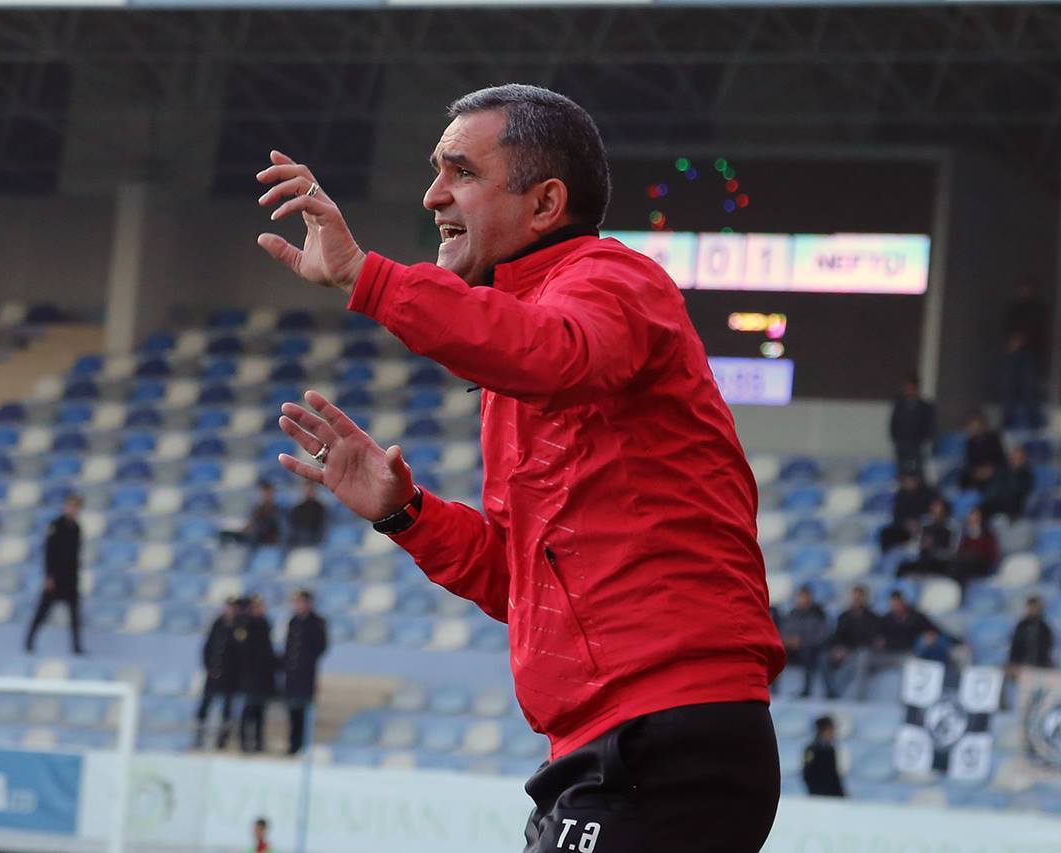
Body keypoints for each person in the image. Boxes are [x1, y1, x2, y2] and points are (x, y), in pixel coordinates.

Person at [258, 83, 784, 851]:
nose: (434, 195)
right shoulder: (517, 360)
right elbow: (522, 581)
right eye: (437, 171)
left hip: (663, 734)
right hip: (607, 743)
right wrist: (405, 512)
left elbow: (558, 353)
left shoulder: (613, 281)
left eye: (462, 172)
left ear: (545, 204)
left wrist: (368, 277)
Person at [25, 493, 85, 655]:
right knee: (42, 611)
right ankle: (29, 641)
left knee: (75, 615)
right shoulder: (55, 525)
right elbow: (49, 552)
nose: (72, 509)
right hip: (56, 577)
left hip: (70, 579)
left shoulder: (77, 528)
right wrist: (49, 576)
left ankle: (76, 646)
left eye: (75, 506)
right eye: (70, 505)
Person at [194, 598, 244, 750]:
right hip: (213, 675)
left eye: (233, 607)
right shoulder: (217, 624)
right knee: (204, 708)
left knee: (227, 710)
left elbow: (240, 654)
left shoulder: (241, 626)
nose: (230, 610)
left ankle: (222, 741)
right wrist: (209, 667)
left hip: (230, 677)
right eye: (228, 607)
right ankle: (199, 738)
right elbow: (208, 647)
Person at [282, 589, 328, 754]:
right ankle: (292, 744)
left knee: (304, 710)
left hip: (306, 674)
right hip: (292, 674)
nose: (299, 605)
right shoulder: (293, 621)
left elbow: (321, 646)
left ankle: (302, 745)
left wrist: (307, 661)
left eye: (302, 602)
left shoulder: (317, 622)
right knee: (292, 710)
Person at [824, 585, 880, 700]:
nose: (856, 599)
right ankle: (830, 690)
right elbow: (837, 636)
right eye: (855, 596)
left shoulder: (872, 618)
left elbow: (871, 640)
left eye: (860, 597)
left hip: (862, 651)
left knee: (860, 656)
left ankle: (858, 696)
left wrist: (848, 650)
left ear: (865, 599)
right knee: (823, 658)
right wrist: (838, 648)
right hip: (845, 650)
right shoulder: (843, 616)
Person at [239, 595, 277, 753]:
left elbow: (268, 652)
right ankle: (244, 742)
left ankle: (258, 742)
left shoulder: (265, 624)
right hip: (249, 676)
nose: (259, 609)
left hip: (263, 677)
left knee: (260, 711)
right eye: (256, 607)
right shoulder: (245, 625)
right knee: (248, 710)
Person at [782, 586, 829, 698]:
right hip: (791, 647)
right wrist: (788, 640)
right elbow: (783, 631)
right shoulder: (792, 614)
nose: (802, 599)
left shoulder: (818, 614)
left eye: (804, 596)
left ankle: (806, 690)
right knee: (775, 652)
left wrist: (802, 642)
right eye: (800, 597)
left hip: (810, 648)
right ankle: (772, 687)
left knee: (809, 654)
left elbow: (822, 635)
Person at [889, 375, 936, 479]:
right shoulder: (899, 405)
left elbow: (929, 425)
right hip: (902, 444)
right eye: (906, 387)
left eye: (910, 387)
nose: (907, 390)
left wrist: (924, 440)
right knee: (901, 471)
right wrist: (896, 439)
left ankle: (919, 486)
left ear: (916, 388)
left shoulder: (925, 407)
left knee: (918, 471)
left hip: (917, 444)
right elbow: (894, 423)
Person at [898, 498, 954, 578]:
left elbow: (951, 551)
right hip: (923, 557)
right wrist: (922, 545)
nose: (934, 511)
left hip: (941, 562)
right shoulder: (925, 523)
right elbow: (916, 543)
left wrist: (934, 547)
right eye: (933, 508)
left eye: (938, 509)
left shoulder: (951, 527)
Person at [878, 473, 934, 553]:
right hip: (904, 528)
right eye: (906, 481)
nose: (909, 483)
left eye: (911, 480)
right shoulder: (900, 496)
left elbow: (933, 513)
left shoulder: (927, 495)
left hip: (923, 526)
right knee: (886, 533)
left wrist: (918, 522)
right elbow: (896, 516)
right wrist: (905, 523)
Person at [1001, 332, 1043, 430]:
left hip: (1025, 396)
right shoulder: (1007, 359)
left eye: (1019, 341)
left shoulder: (1026, 358)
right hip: (1011, 396)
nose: (1016, 344)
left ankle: (1033, 423)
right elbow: (1006, 378)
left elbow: (1028, 379)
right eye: (1015, 341)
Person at [981, 445, 1035, 522]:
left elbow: (1021, 492)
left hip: (1014, 509)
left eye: (1019, 458)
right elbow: (992, 490)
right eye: (1014, 458)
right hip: (996, 507)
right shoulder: (1000, 472)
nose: (1016, 461)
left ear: (1024, 460)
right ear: (1009, 459)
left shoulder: (1027, 475)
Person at [948, 506, 999, 586]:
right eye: (971, 515)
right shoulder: (965, 534)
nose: (972, 518)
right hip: (965, 563)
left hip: (981, 565)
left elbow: (992, 555)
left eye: (976, 516)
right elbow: (960, 550)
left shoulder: (987, 535)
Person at [222, 481, 283, 547]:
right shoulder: (258, 509)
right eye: (264, 493)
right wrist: (248, 527)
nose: (265, 496)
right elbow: (252, 521)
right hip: (254, 533)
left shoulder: (277, 509)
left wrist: (256, 527)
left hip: (266, 536)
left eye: (268, 493)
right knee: (226, 534)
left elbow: (277, 526)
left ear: (272, 494)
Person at [959, 412, 1006, 493]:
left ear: (982, 426)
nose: (973, 429)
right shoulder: (970, 443)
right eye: (971, 426)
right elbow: (970, 462)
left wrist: (991, 470)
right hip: (977, 472)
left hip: (993, 471)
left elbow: (1000, 459)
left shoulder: (994, 439)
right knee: (964, 477)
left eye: (976, 426)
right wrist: (977, 471)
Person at [1007, 596, 1055, 671]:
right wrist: (1013, 662)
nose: (1034, 609)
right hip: (1022, 666)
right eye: (1032, 606)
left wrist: (1046, 662)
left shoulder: (1044, 627)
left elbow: (1047, 647)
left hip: (1040, 666)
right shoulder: (1022, 625)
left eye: (1036, 607)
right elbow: (1015, 645)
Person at [802, 717, 846, 798]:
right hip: (818, 794)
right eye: (830, 729)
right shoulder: (811, 749)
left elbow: (834, 775)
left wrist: (841, 794)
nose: (832, 732)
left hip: (832, 795)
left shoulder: (831, 749)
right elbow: (807, 773)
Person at [287, 481, 328, 546]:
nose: (309, 491)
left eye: (312, 489)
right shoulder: (297, 509)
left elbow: (323, 526)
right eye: (308, 489)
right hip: (300, 541)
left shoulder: (321, 508)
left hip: (317, 541)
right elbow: (294, 527)